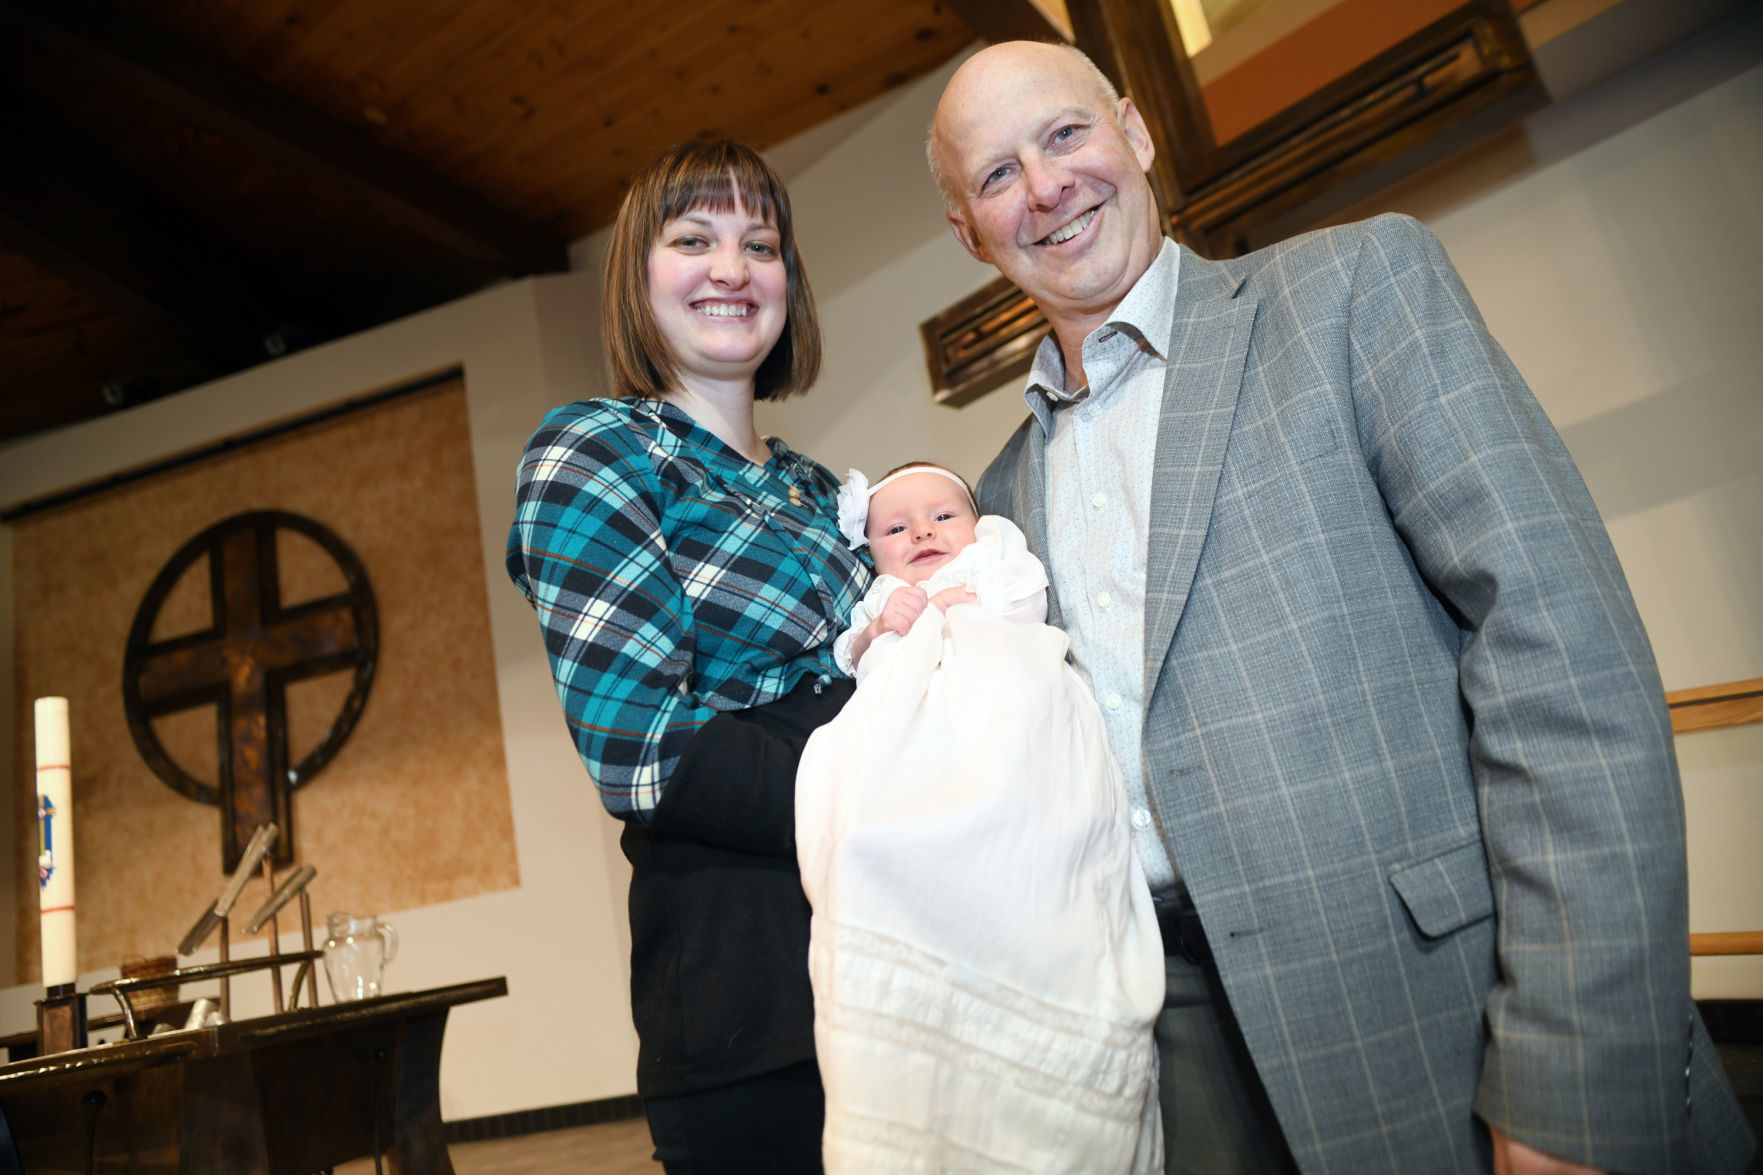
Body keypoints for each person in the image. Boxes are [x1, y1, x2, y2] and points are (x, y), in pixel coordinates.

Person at [927, 40, 1753, 1175]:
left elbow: (1561, 661)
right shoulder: (997, 500)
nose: (1046, 184)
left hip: (1445, 1016)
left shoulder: (1352, 290)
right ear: (969, 232)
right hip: (1171, 1062)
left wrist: (1574, 1075)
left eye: (1064, 134)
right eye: (996, 174)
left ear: (1135, 129)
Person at [506, 139, 869, 1174]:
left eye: (760, 244)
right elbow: (645, 750)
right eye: (692, 239)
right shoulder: (593, 452)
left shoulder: (820, 494)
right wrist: (882, 766)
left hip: (898, 962)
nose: (730, 268)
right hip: (745, 999)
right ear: (638, 273)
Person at [794, 462, 1164, 1173]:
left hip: (1010, 707)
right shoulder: (882, 594)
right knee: (860, 791)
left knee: (1026, 791)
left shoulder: (994, 551)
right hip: (917, 733)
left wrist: (970, 599)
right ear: (870, 548)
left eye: (941, 515)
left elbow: (1027, 600)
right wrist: (879, 632)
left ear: (975, 521)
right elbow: (850, 655)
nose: (922, 533)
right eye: (895, 528)